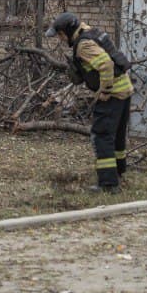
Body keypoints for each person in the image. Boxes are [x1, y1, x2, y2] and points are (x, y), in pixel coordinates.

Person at [46, 11, 133, 192]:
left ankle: (108, 184)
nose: (60, 39)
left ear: (67, 31)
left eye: (60, 35)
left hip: (113, 92)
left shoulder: (84, 45)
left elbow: (106, 65)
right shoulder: (89, 31)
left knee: (101, 135)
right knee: (116, 135)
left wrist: (105, 91)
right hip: (124, 88)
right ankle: (119, 173)